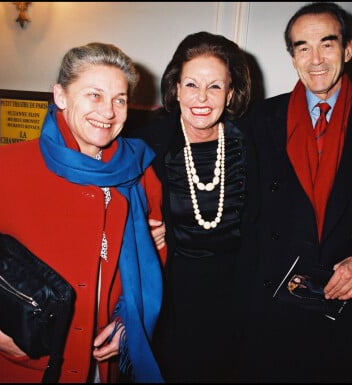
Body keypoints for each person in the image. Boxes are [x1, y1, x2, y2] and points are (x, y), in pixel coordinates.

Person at [0, 42, 167, 383]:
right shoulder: (0, 169)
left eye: (119, 99)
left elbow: (156, 253)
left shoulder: (140, 171)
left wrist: (129, 321)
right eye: (94, 95)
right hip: (23, 366)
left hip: (103, 369)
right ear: (61, 96)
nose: (109, 111)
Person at [235, 2, 352, 382]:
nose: (316, 59)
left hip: (351, 302)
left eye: (327, 44)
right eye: (302, 47)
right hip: (274, 301)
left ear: (349, 49)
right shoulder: (259, 118)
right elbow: (239, 206)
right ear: (292, 57)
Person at [123, 31, 251, 382]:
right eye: (191, 84)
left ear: (232, 92)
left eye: (215, 87)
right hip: (170, 302)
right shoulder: (144, 145)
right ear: (175, 88)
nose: (202, 98)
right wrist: (135, 230)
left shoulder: (254, 144)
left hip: (237, 302)